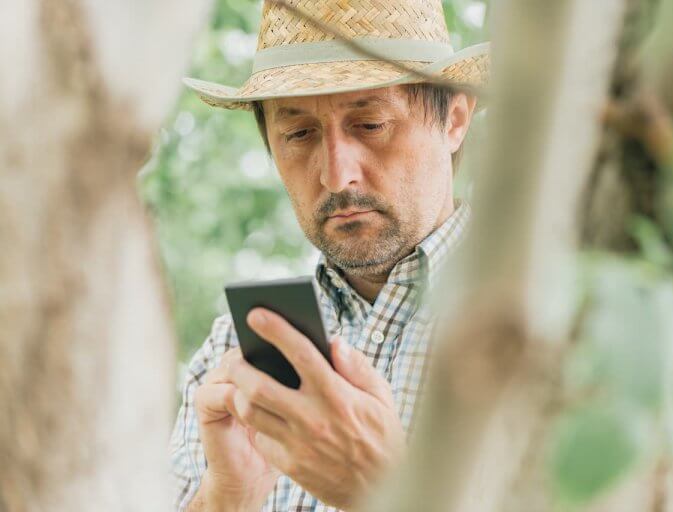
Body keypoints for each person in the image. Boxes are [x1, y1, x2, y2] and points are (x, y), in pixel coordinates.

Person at [170, 1, 489, 510]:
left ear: (454, 118)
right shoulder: (232, 356)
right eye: (299, 134)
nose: (337, 175)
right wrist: (226, 498)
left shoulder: (542, 327)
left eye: (371, 124)